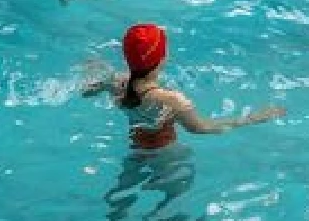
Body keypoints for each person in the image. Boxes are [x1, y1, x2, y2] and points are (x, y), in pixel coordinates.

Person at [86, 23, 283, 152]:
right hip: (164, 155)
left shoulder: (117, 82)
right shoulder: (173, 100)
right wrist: (253, 119)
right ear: (162, 58)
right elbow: (202, 128)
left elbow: (88, 91)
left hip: (135, 147)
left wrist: (95, 72)